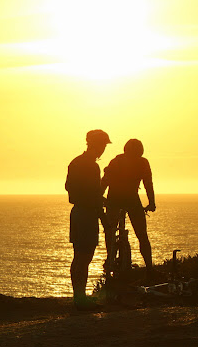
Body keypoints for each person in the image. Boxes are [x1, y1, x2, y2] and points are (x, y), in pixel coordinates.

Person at [65, 129, 111, 309]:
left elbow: (70, 188)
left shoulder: (75, 162)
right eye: (103, 145)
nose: (103, 149)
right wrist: (105, 220)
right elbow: (93, 195)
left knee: (78, 257)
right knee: (85, 257)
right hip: (87, 214)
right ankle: (80, 299)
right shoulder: (91, 166)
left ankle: (78, 296)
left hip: (77, 212)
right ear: (96, 144)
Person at [102, 138, 156, 280]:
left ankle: (111, 258)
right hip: (128, 199)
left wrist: (99, 197)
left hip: (116, 199)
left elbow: (105, 180)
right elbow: (148, 183)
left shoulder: (118, 161)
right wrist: (151, 203)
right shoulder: (142, 162)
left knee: (111, 230)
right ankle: (149, 268)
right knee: (142, 235)